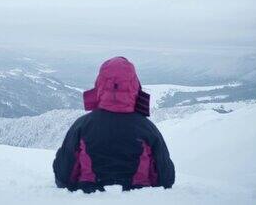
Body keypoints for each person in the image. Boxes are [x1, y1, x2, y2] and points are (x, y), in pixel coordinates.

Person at [53, 56, 175, 193]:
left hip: (90, 198)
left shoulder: (82, 126)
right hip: (138, 200)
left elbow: (63, 176)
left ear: (99, 84)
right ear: (134, 86)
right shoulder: (147, 128)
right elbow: (166, 179)